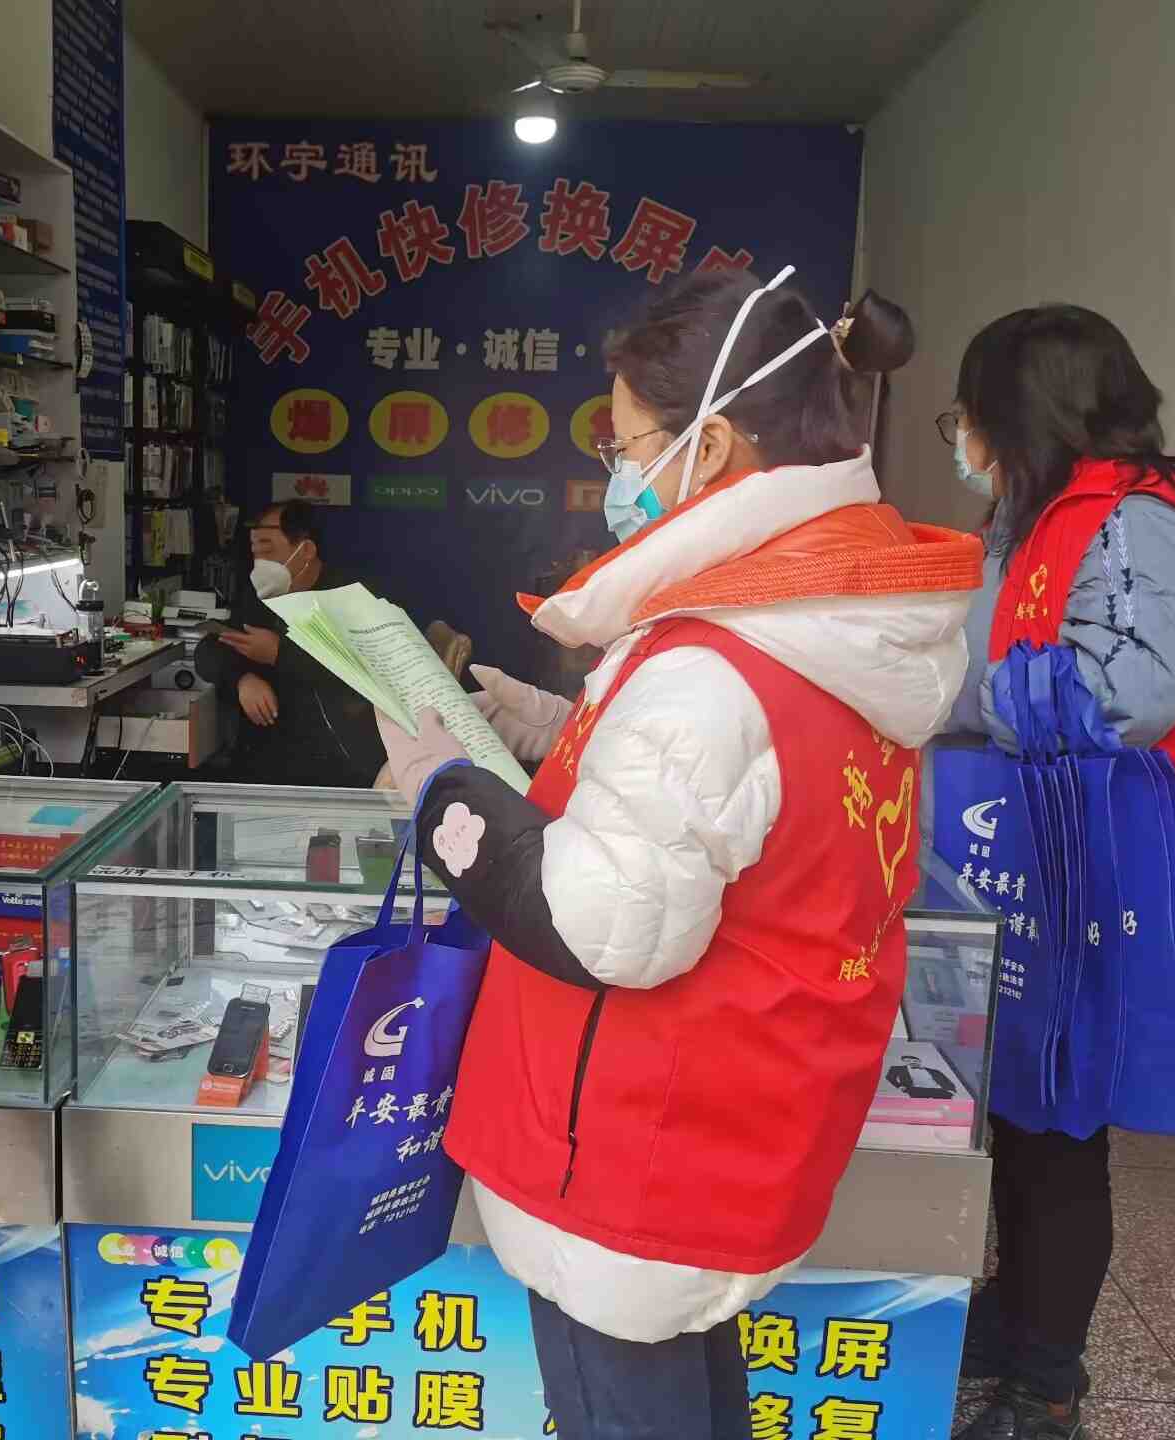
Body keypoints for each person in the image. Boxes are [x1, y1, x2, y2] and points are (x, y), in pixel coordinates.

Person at [376, 267, 984, 1440]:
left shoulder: (712, 668)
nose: (614, 474)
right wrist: (554, 729)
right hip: (736, 1123)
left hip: (629, 1159)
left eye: (624, 446)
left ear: (708, 448)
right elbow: (741, 804)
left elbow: (600, 924)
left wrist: (442, 791)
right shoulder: (826, 628)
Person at [938, 305, 1175, 1440]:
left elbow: (1127, 690)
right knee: (1018, 1108)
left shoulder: (1137, 519)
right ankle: (1016, 1307)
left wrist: (946, 695)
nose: (964, 435)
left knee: (1064, 1121)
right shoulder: (1039, 512)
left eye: (971, 412)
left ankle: (1047, 1380)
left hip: (1110, 872)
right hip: (1039, 857)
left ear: (1026, 411)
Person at [194, 499, 382, 786]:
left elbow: (362, 675)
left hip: (336, 759)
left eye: (268, 550)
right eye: (256, 552)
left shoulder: (350, 597)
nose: (260, 563)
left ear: (305, 550)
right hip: (267, 754)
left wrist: (279, 654)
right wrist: (242, 680)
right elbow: (211, 649)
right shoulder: (262, 597)